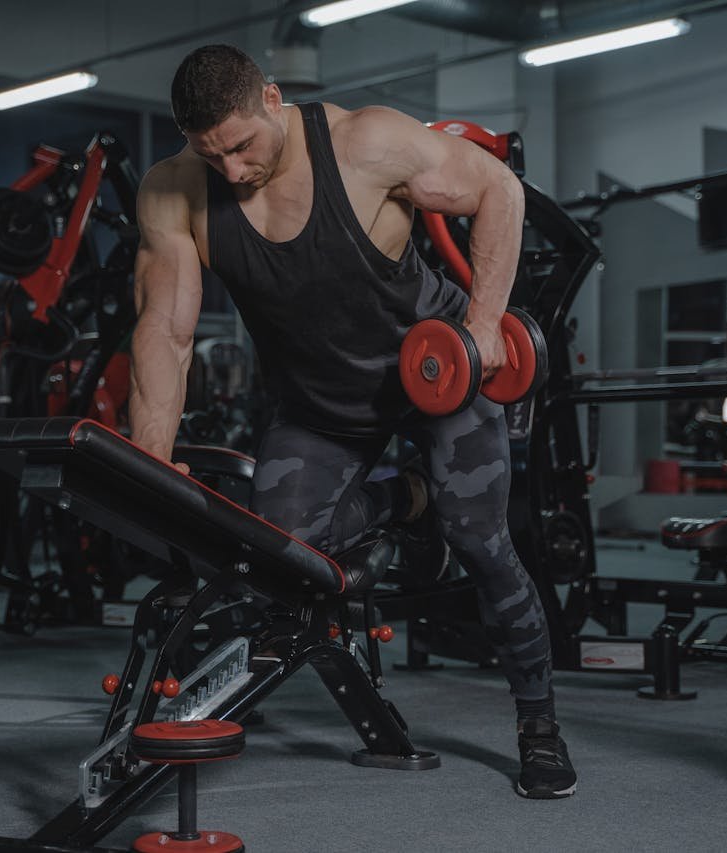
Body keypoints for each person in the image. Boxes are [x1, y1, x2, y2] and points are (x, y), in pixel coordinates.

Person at [127, 43, 574, 800]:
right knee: (280, 556)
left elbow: (499, 188)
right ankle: (408, 500)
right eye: (212, 154)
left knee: (482, 542)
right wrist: (150, 458)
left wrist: (488, 321)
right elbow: (166, 331)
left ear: (271, 99)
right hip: (319, 404)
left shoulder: (366, 143)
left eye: (241, 145)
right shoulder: (174, 192)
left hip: (435, 379)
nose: (232, 170)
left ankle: (539, 723)